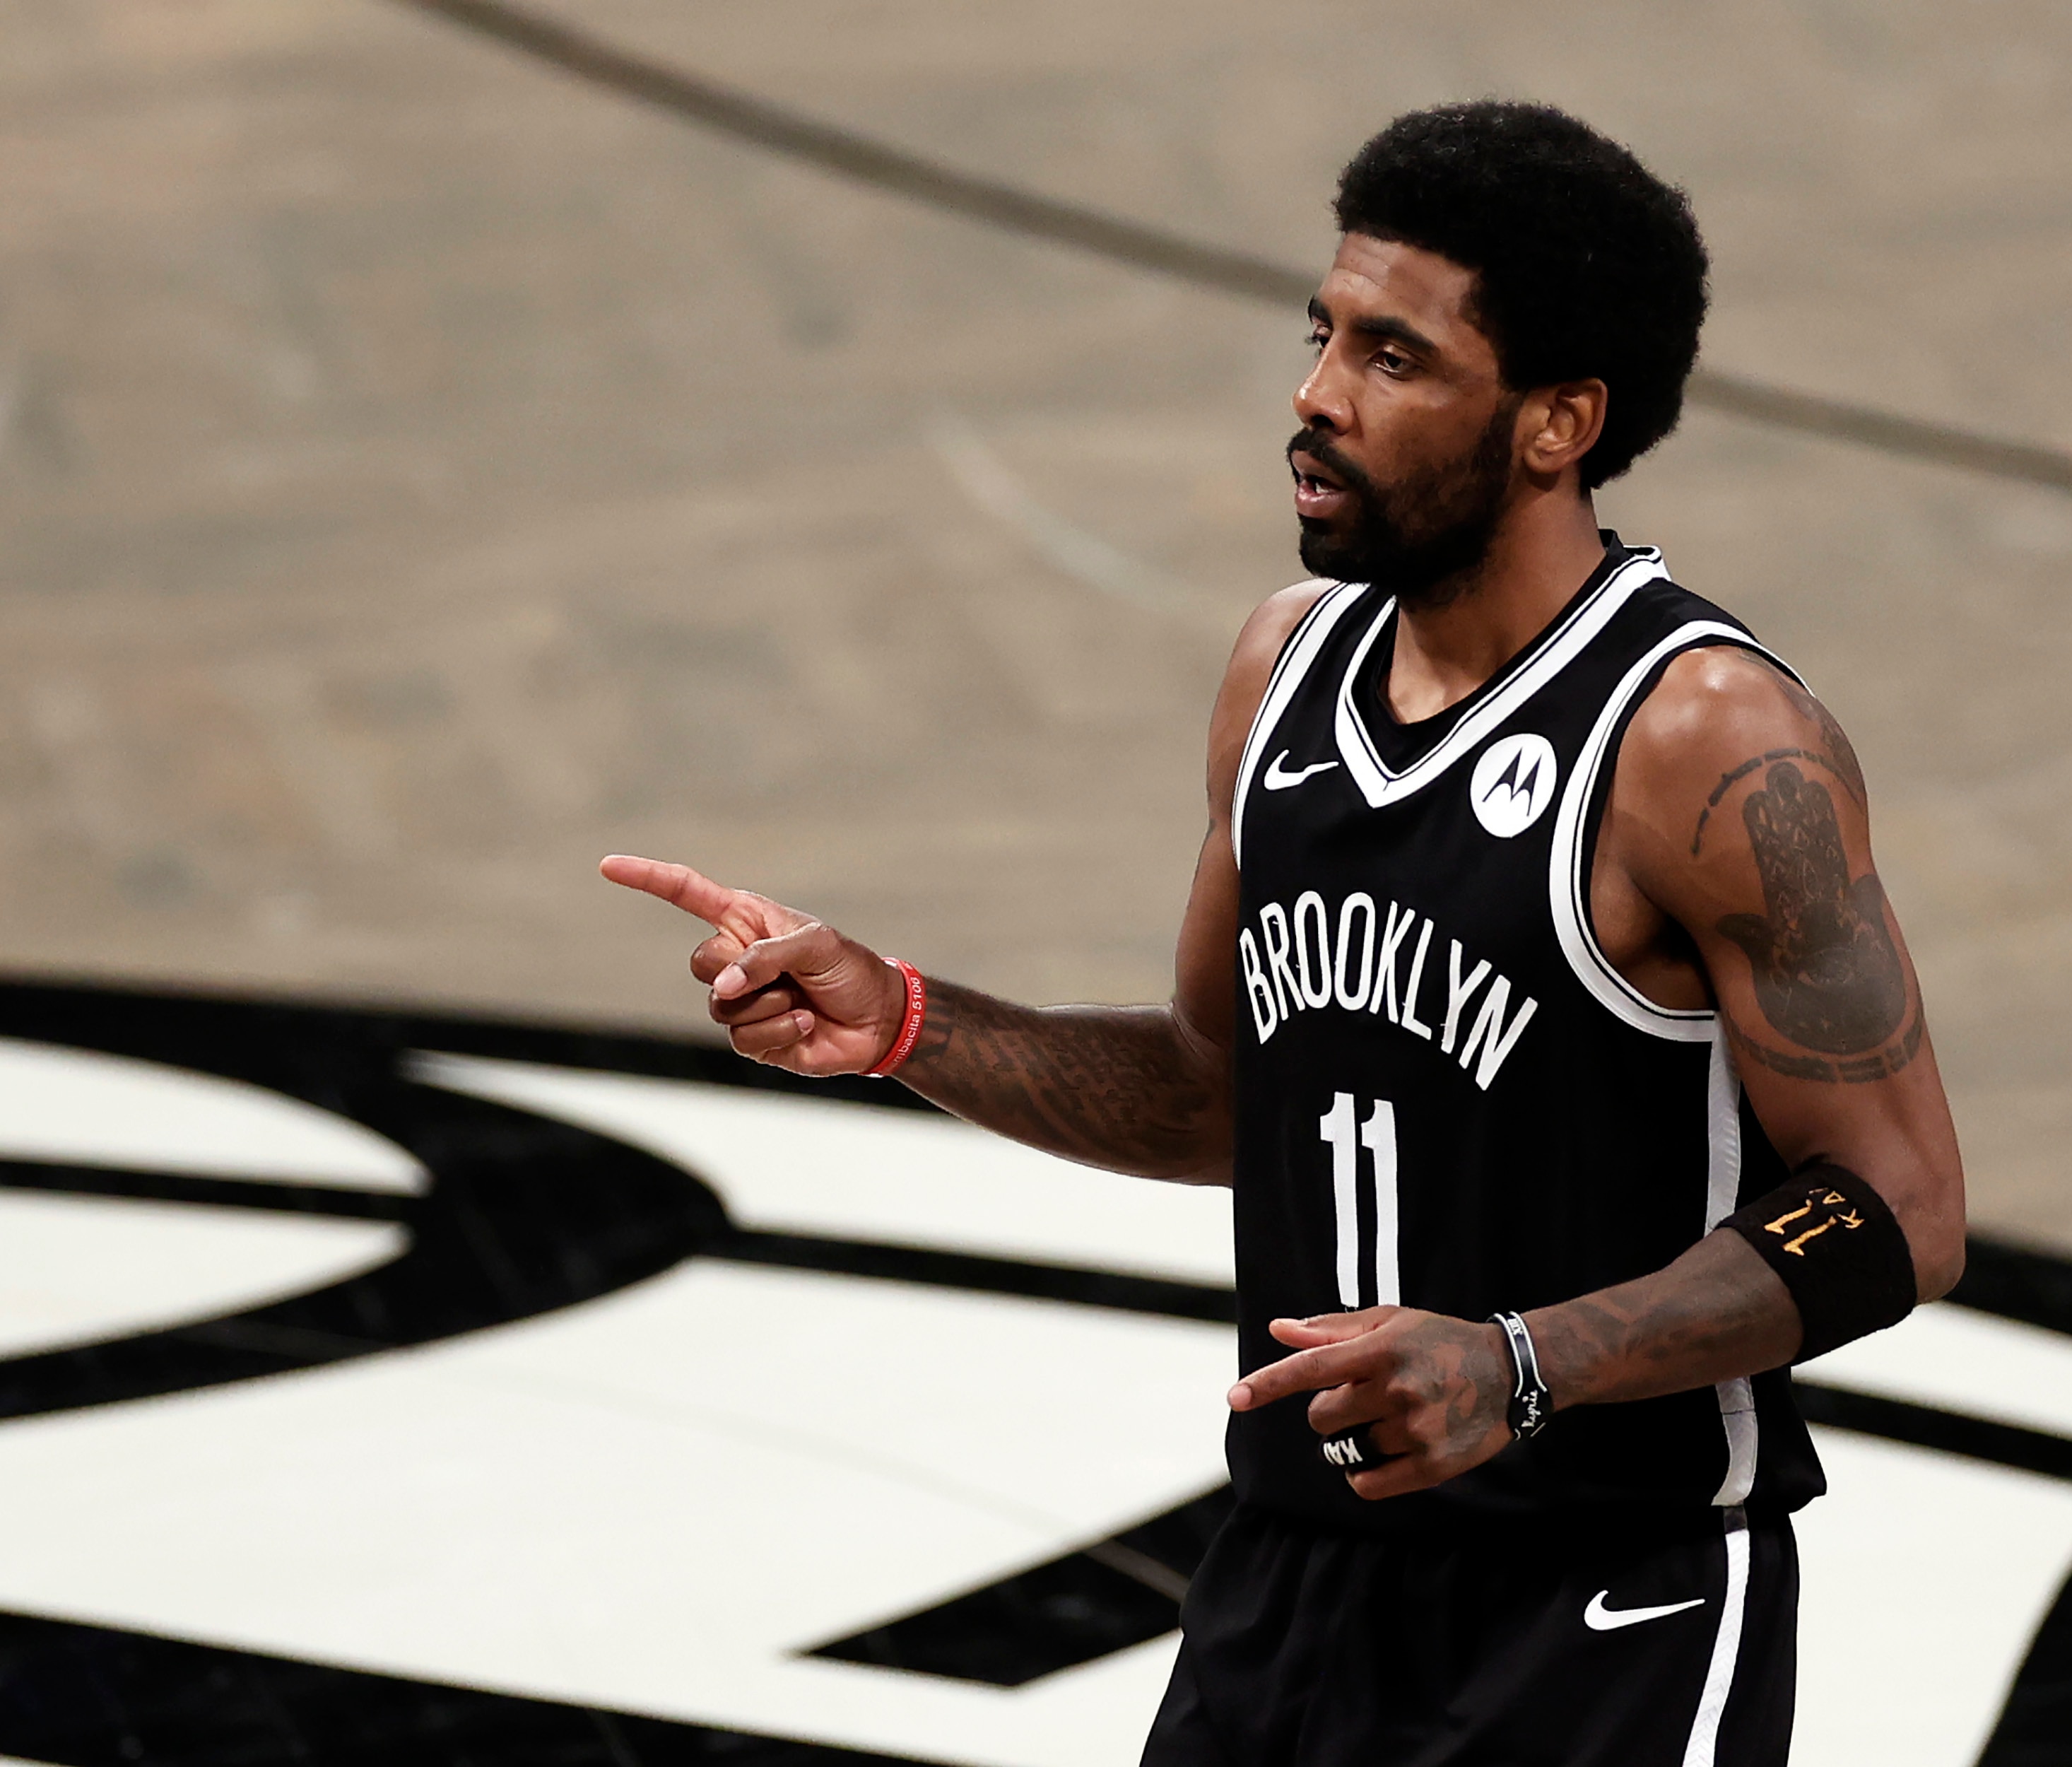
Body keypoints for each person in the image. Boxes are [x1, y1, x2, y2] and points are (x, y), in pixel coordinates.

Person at [604, 101, 1962, 1767]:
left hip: (1604, 1612)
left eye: (1395, 357)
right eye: (1321, 333)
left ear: (1558, 423)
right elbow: (1213, 1094)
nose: (1316, 396)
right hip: (1292, 1586)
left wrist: (1524, 1364)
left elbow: (1900, 1205)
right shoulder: (1283, 671)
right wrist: (903, 1018)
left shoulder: (1707, 744)